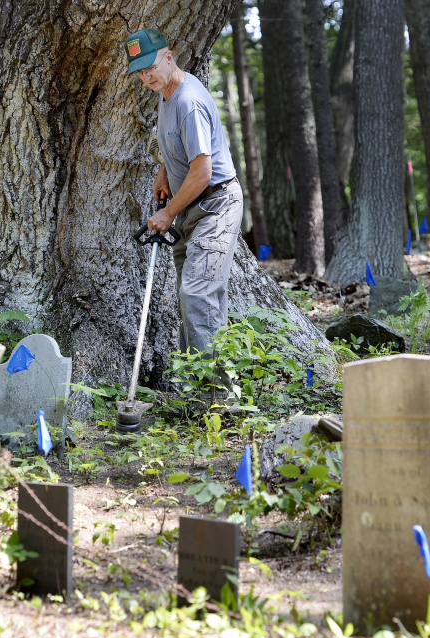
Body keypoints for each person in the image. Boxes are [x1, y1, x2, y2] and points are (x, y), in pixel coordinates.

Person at [125, 28, 244, 404]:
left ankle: (217, 404)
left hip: (215, 205)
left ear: (169, 55)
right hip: (192, 207)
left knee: (197, 295)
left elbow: (203, 172)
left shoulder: (188, 101)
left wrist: (166, 214)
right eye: (139, 71)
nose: (147, 76)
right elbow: (179, 149)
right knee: (193, 299)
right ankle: (196, 393)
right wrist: (164, 172)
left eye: (151, 66)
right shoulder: (167, 94)